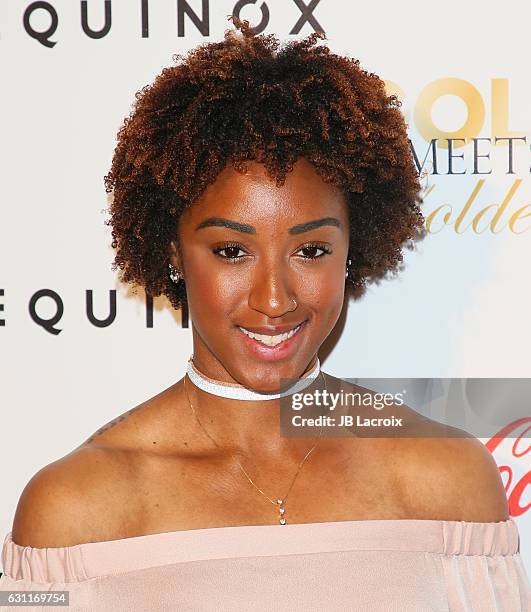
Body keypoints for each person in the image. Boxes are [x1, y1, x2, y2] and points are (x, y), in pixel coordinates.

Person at [1, 16, 529, 612]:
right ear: (172, 252)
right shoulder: (72, 509)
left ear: (355, 248)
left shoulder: (448, 480)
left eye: (311, 250)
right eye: (231, 251)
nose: (274, 300)